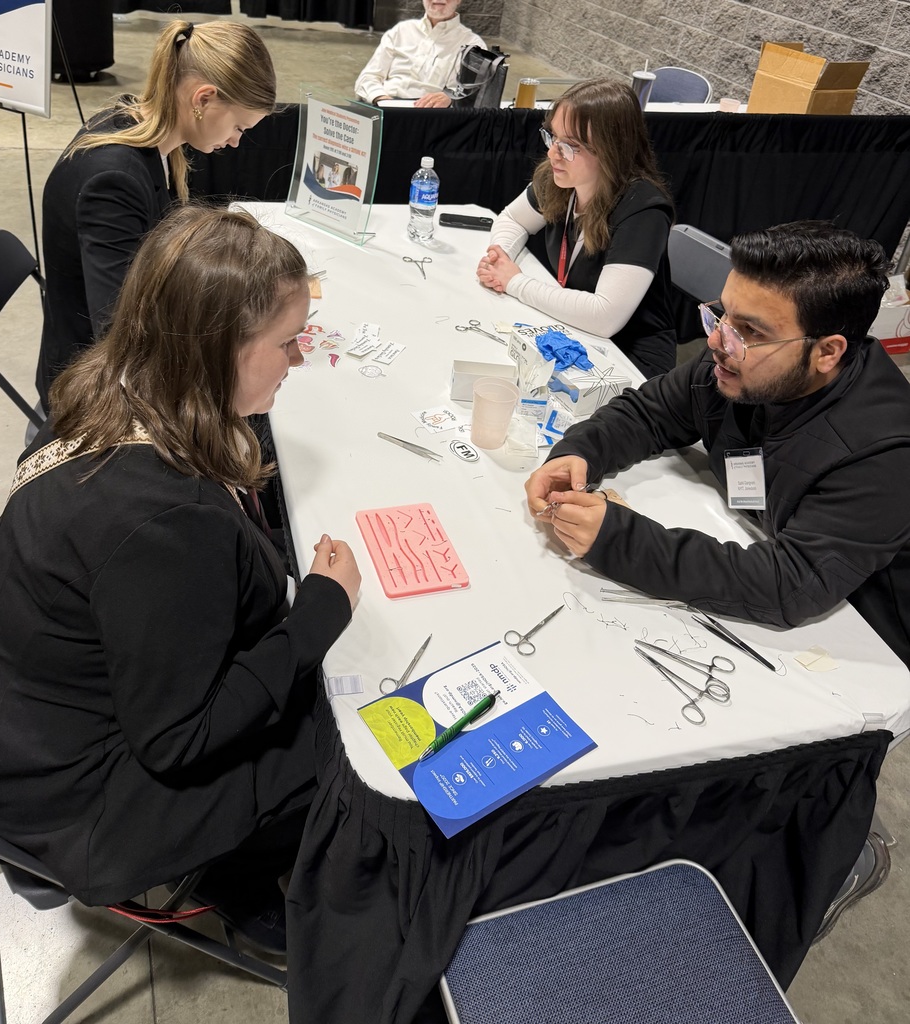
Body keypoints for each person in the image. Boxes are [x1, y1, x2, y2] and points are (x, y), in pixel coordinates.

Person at [0, 205, 360, 950]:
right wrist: (320, 610)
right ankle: (244, 877)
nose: (298, 360)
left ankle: (240, 870)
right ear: (221, 349)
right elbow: (181, 740)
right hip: (74, 796)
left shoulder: (117, 391)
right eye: (287, 344)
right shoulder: (165, 521)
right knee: (358, 745)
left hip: (37, 720)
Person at [524, 220, 910, 667]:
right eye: (722, 313)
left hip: (863, 638)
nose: (716, 339)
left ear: (827, 352)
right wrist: (581, 452)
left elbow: (789, 585)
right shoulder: (739, 364)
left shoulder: (885, 454)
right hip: (755, 541)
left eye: (750, 330)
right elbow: (652, 411)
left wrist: (618, 540)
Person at [37, 19, 276, 408]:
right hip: (94, 390)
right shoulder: (113, 179)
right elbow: (119, 327)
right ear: (202, 99)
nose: (234, 142)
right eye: (238, 126)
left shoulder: (139, 126)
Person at [476, 78, 676, 379]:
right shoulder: (559, 178)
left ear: (611, 150)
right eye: (552, 137)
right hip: (571, 331)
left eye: (571, 146)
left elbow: (604, 316)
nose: (553, 154)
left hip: (627, 359)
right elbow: (513, 219)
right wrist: (498, 257)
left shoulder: (643, 210)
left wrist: (514, 282)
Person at [354, 0, 484, 108]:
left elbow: (471, 94)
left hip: (428, 114)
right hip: (383, 104)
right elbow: (368, 77)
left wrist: (451, 99)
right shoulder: (401, 30)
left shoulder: (472, 44)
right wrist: (380, 98)